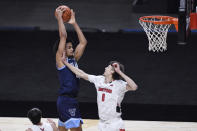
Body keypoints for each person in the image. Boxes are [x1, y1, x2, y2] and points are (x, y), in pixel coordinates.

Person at [62, 59, 138, 131]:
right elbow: (81, 74)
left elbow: (134, 87)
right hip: (102, 124)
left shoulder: (119, 84)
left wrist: (119, 71)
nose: (105, 68)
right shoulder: (99, 79)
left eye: (108, 67)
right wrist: (65, 62)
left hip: (115, 124)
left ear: (112, 71)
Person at [54, 5, 87, 131]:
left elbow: (83, 43)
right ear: (62, 50)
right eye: (69, 47)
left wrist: (74, 23)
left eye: (72, 47)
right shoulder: (61, 60)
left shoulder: (74, 60)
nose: (72, 48)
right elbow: (63, 36)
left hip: (69, 100)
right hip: (66, 100)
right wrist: (60, 19)